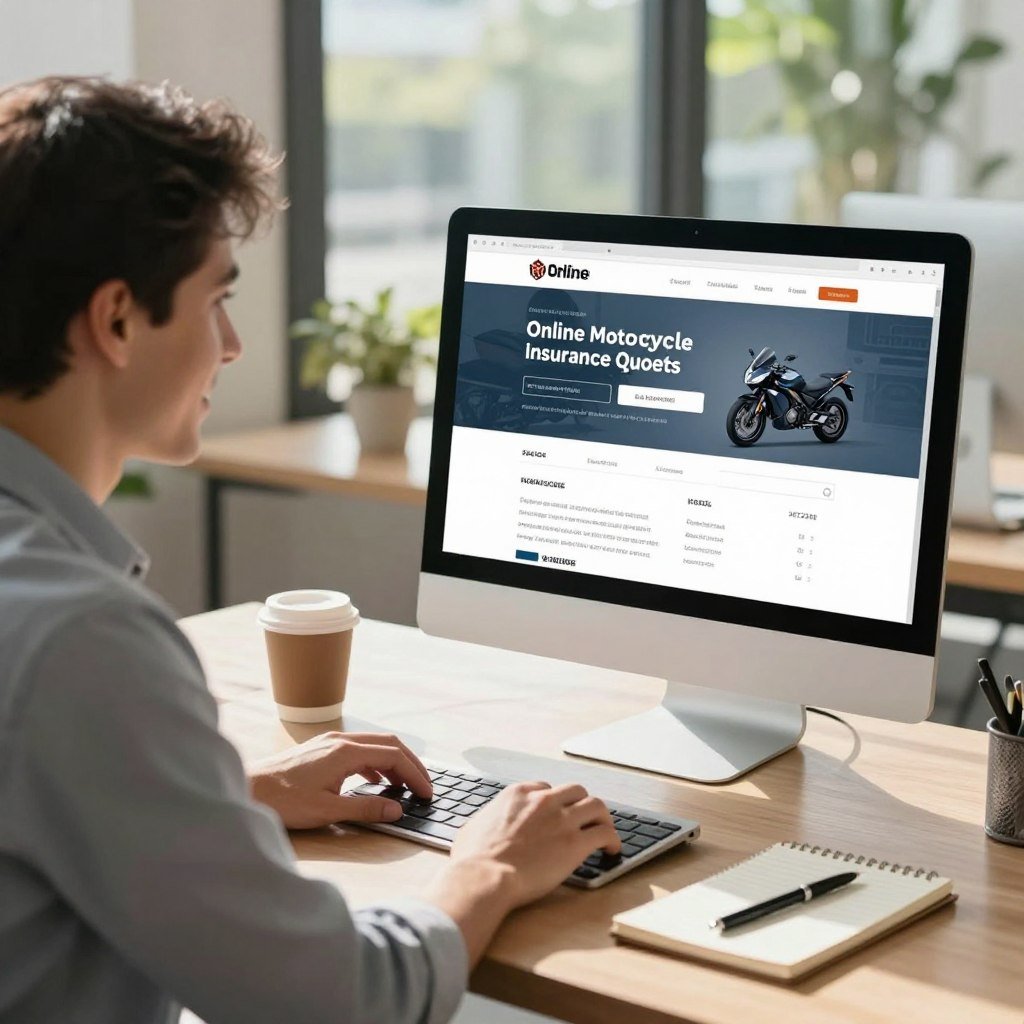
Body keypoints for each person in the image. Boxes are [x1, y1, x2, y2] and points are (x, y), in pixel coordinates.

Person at [0, 77, 621, 1024]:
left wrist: (226, 798)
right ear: (117, 318)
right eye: (218, 299)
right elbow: (335, 1002)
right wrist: (486, 869)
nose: (235, 343)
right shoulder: (79, 636)